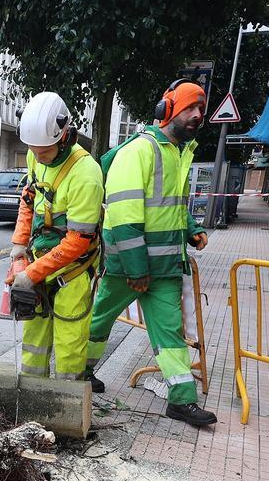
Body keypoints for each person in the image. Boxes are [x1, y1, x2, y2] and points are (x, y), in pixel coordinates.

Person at [85, 80, 216, 427]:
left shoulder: (178, 153)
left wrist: (191, 228)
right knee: (100, 320)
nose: (198, 115)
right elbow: (125, 218)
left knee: (170, 335)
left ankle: (182, 401)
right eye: (191, 108)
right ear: (167, 110)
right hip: (129, 267)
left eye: (201, 109)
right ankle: (81, 372)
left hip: (163, 268)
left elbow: (170, 204)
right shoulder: (139, 152)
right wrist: (136, 269)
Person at [7, 91, 103, 381]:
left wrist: (32, 274)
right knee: (34, 336)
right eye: (33, 150)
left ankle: (68, 405)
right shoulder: (36, 154)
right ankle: (32, 396)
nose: (37, 156)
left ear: (66, 137)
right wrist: (19, 245)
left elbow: (77, 241)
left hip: (73, 270)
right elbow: (29, 199)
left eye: (44, 151)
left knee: (69, 342)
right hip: (39, 259)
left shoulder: (86, 174)